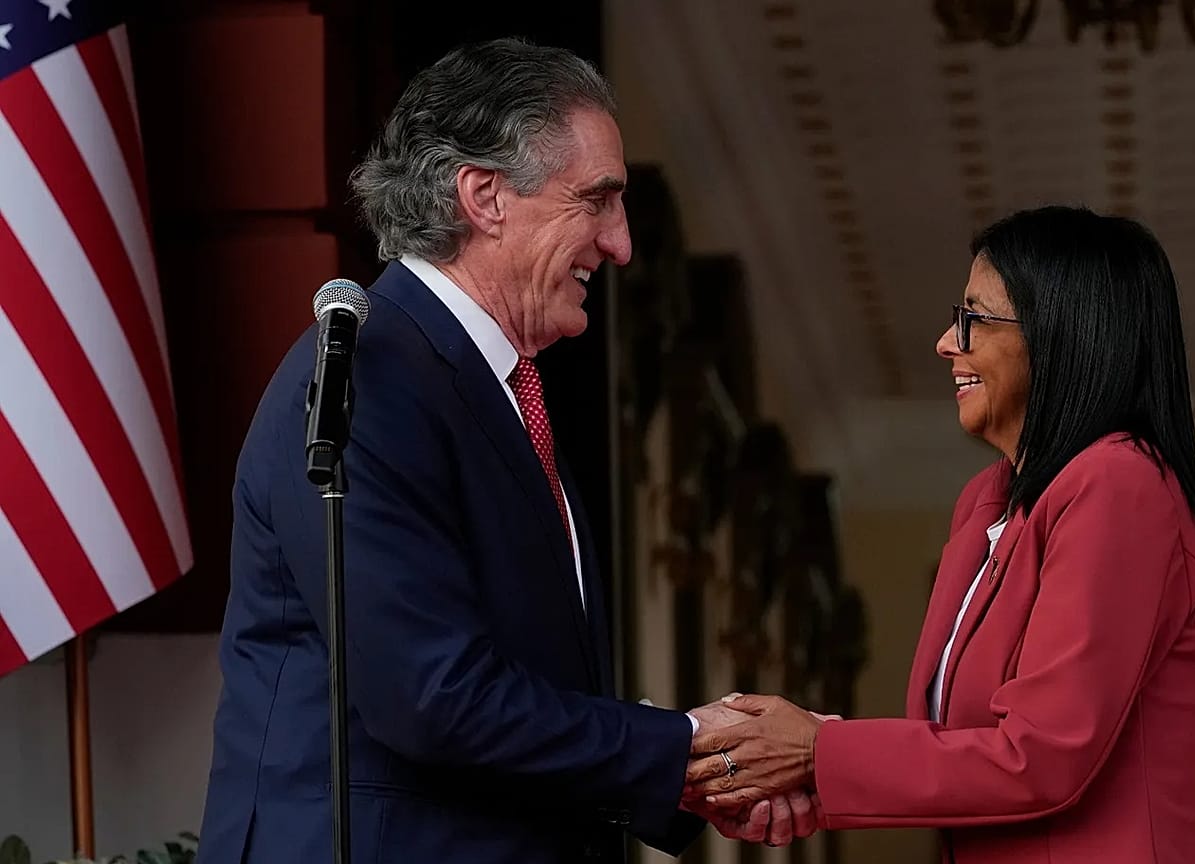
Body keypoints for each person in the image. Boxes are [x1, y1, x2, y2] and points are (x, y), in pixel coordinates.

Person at [197, 38, 812, 863]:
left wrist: (693, 773)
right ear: (484, 196)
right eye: (597, 201)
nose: (620, 244)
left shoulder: (486, 387)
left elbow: (523, 688)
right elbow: (434, 695)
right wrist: (690, 747)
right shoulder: (369, 379)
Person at [687, 205, 1195, 863]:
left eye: (974, 318)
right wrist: (801, 775)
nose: (946, 342)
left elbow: (1041, 756)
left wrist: (815, 754)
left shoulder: (1120, 480)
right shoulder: (986, 503)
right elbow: (956, 753)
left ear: (1062, 335)